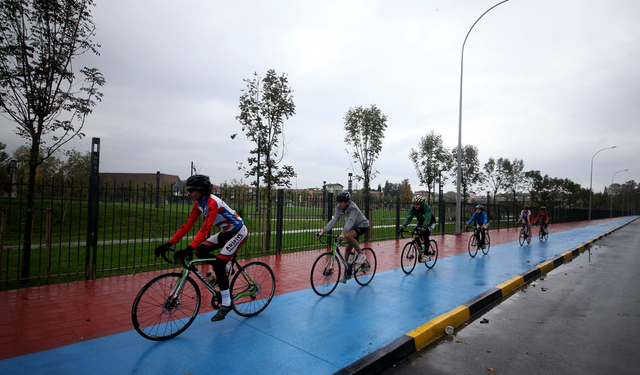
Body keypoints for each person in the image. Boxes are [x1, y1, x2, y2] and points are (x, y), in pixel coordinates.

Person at [154, 174, 247, 322]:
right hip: (225, 232)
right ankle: (228, 270)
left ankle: (227, 303)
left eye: (191, 190)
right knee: (201, 251)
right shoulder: (199, 204)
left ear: (202, 190)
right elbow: (187, 225)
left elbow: (205, 228)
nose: (188, 193)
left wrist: (189, 248)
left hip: (238, 232)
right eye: (188, 190)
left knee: (218, 265)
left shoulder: (212, 203)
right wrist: (169, 244)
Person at [317, 191, 370, 283]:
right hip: (352, 227)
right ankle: (347, 272)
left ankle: (361, 255)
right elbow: (334, 220)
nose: (340, 204)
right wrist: (323, 231)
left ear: (347, 202)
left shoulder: (353, 208)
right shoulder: (339, 208)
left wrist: (343, 233)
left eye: (341, 202)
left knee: (348, 236)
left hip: (362, 225)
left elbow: (350, 221)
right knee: (348, 250)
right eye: (338, 202)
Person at [399, 195, 436, 262]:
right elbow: (409, 217)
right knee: (415, 232)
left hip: (430, 222)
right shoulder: (413, 208)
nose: (415, 206)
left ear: (421, 203)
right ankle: (421, 249)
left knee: (425, 234)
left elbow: (427, 219)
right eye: (414, 204)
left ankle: (426, 255)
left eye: (417, 204)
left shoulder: (427, 208)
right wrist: (403, 227)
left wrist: (423, 229)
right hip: (421, 222)